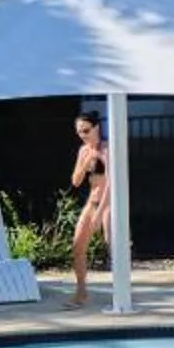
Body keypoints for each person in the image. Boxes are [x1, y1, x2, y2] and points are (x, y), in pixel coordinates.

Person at [67, 111, 110, 308]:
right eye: (79, 132)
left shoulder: (108, 149)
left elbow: (111, 184)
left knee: (113, 246)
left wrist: (101, 212)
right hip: (91, 203)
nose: (82, 135)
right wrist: (85, 162)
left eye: (86, 130)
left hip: (109, 203)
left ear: (96, 128)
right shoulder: (83, 151)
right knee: (78, 247)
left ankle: (121, 291)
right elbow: (76, 182)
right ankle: (81, 291)